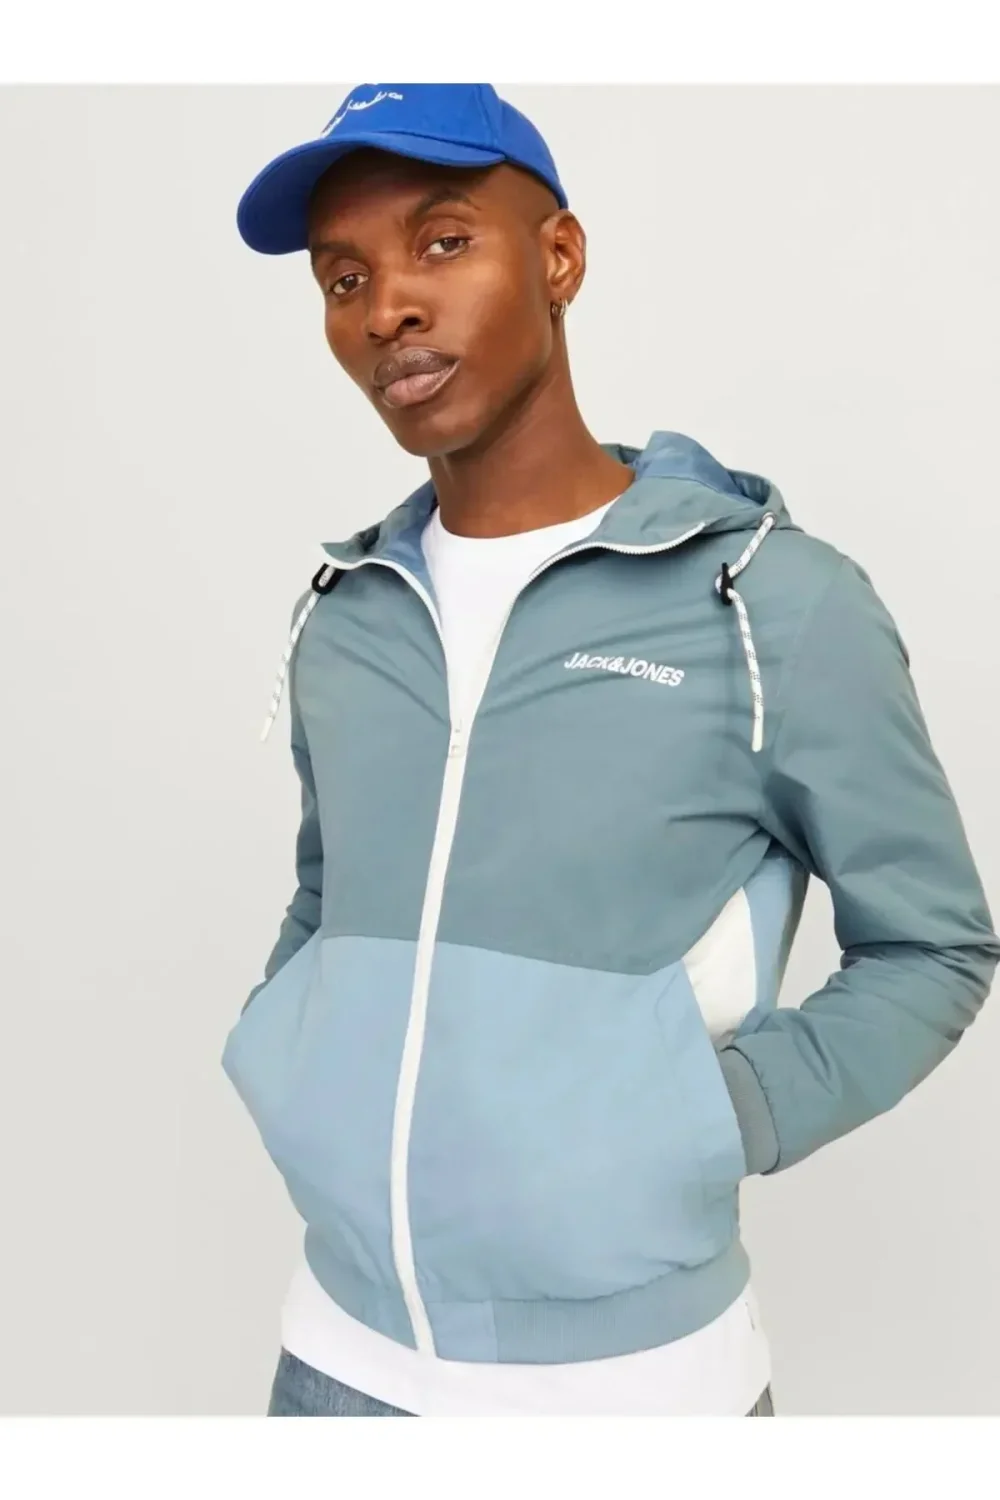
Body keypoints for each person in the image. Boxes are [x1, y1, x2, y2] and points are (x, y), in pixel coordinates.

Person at [223, 83, 998, 1418]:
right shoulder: (346, 618)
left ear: (561, 258)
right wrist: (288, 1054)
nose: (387, 307)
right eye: (343, 279)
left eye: (443, 242)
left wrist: (716, 1116)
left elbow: (936, 943)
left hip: (638, 1394)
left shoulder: (768, 600)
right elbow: (327, 891)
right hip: (334, 1365)